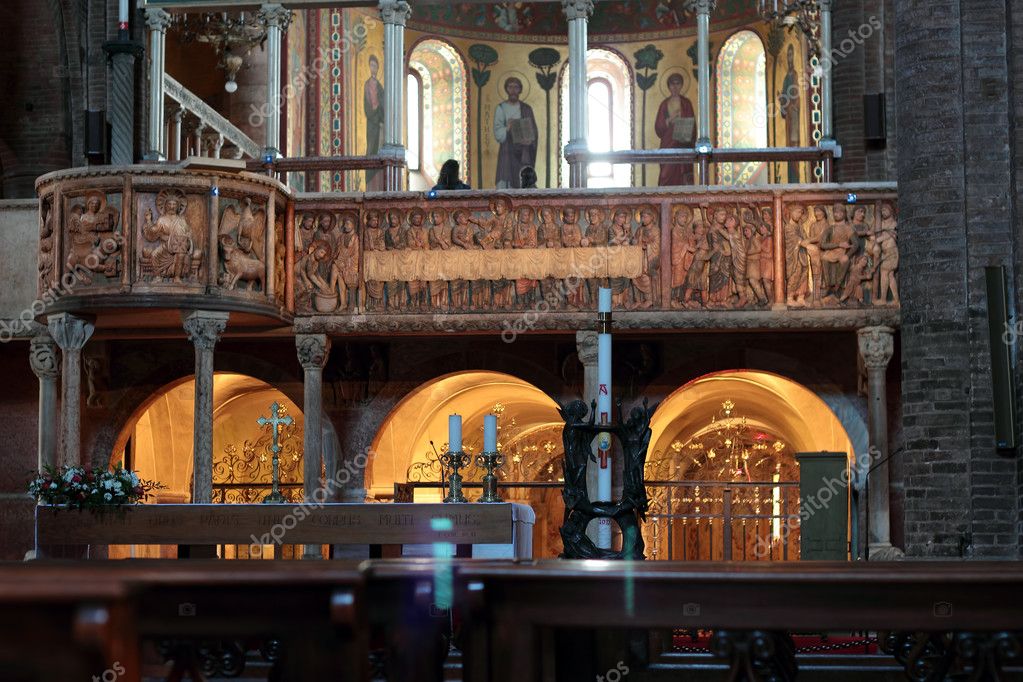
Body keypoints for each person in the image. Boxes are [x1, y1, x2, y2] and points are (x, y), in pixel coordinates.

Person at [494, 77, 538, 189]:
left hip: (523, 152)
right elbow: (498, 132)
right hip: (507, 152)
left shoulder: (526, 109)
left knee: (522, 180)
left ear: (520, 90)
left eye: (516, 87)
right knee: (506, 183)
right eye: (510, 87)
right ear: (506, 89)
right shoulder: (501, 108)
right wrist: (507, 127)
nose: (513, 90)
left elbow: (533, 131)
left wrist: (530, 141)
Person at [654, 73, 696, 186]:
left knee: (683, 175)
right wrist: (669, 121)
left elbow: (692, 125)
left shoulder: (686, 104)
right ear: (668, 86)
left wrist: (685, 132)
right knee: (665, 174)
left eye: (678, 84)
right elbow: (658, 127)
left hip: (683, 144)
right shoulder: (664, 104)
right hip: (668, 143)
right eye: (672, 84)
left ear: (681, 85)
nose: (675, 87)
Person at [364, 55, 385, 191]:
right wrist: (374, 115)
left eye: (375, 65)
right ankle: (370, 186)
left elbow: (383, 104)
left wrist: (382, 119)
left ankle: (380, 186)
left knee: (380, 151)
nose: (373, 68)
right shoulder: (367, 84)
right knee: (371, 149)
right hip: (372, 123)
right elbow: (367, 106)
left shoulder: (380, 86)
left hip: (380, 124)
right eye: (371, 65)